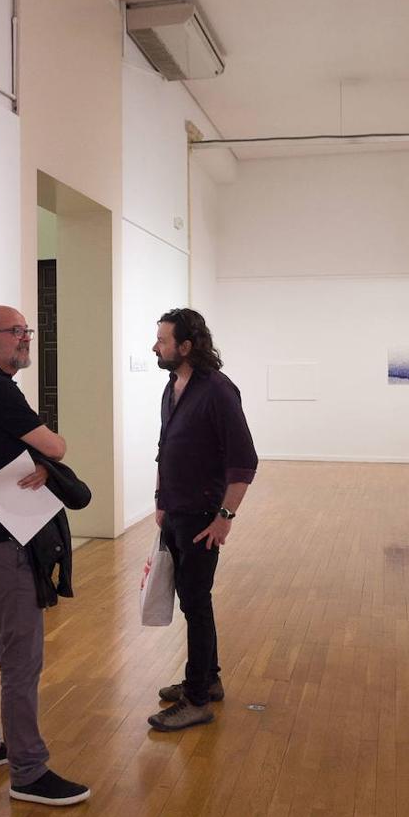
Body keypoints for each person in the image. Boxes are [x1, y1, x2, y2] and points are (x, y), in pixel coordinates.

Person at [0, 305, 89, 807]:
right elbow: (56, 446)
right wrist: (44, 458)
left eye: (26, 331)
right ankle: (29, 772)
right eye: (16, 332)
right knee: (20, 657)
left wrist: (37, 459)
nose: (25, 339)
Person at [148, 308, 258, 731]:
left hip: (201, 515)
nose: (155, 346)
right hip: (174, 511)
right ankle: (207, 680)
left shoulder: (217, 392)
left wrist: (225, 517)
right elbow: (165, 447)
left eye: (162, 340)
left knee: (195, 602)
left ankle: (196, 699)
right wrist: (160, 499)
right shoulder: (171, 387)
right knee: (192, 600)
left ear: (186, 346)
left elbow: (244, 461)